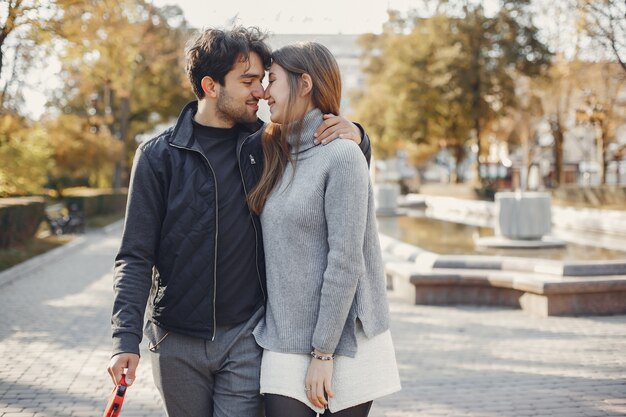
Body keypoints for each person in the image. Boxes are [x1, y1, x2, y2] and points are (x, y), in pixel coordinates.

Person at [107, 28, 371, 417]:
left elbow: (330, 163)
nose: (261, 92)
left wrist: (360, 137)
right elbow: (134, 255)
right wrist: (124, 339)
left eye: (263, 81)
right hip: (175, 338)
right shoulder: (157, 156)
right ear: (211, 86)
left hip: (246, 338)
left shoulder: (269, 145)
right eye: (248, 81)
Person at [248, 42, 401, 417]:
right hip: (283, 335)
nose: (264, 92)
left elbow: (345, 260)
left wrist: (323, 353)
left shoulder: (342, 155)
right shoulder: (276, 152)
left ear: (304, 84)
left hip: (344, 341)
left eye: (271, 80)